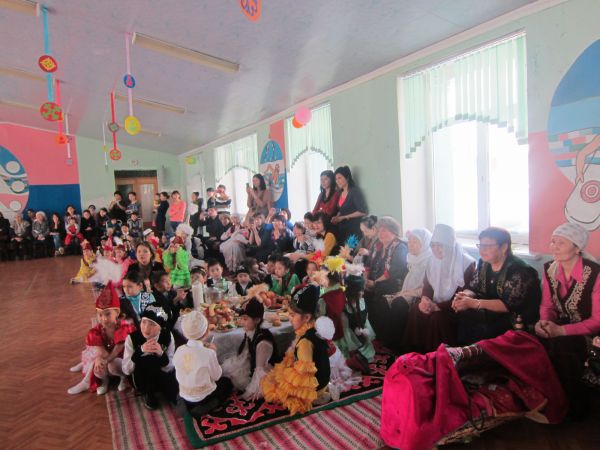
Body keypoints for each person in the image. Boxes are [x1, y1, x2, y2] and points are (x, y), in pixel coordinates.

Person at [534, 222, 600, 418]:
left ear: (577, 248)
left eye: (560, 243)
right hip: (560, 326)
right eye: (552, 241)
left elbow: (597, 320)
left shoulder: (595, 274)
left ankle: (572, 408)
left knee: (563, 348)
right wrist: (545, 323)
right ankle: (541, 400)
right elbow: (547, 305)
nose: (553, 247)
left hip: (591, 333)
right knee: (529, 340)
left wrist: (561, 331)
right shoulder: (550, 269)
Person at [451, 227, 541, 344]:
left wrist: (473, 303)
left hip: (514, 319)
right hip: (490, 313)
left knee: (485, 326)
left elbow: (507, 305)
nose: (482, 250)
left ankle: (480, 353)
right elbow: (474, 288)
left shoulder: (519, 270)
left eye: (488, 246)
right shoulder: (484, 263)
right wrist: (464, 296)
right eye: (481, 245)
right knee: (461, 315)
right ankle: (464, 353)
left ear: (504, 247)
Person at [403, 224, 476, 354]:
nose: (436, 249)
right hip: (434, 303)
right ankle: (415, 353)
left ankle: (437, 356)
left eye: (440, 245)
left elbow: (463, 295)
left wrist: (438, 306)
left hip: (454, 307)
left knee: (437, 318)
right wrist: (425, 300)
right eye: (433, 245)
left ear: (450, 245)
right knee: (417, 310)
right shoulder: (432, 260)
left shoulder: (466, 263)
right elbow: (427, 285)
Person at [261, 284, 331, 415]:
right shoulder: (313, 329)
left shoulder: (305, 342)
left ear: (307, 318)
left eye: (293, 315)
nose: (289, 318)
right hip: (322, 379)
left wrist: (286, 383)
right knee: (279, 374)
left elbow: (304, 375)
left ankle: (317, 396)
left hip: (314, 387)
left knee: (274, 386)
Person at [68, 282, 135, 395]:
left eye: (107, 314)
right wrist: (99, 359)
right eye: (100, 315)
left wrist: (102, 360)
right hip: (107, 358)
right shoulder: (96, 331)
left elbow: (116, 352)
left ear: (117, 312)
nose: (103, 319)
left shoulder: (124, 329)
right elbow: (101, 351)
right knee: (97, 366)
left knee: (112, 365)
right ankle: (104, 381)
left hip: (120, 359)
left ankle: (123, 377)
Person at [174, 310, 233, 418]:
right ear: (206, 332)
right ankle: (206, 407)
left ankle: (184, 407)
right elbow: (217, 376)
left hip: (185, 394)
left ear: (185, 333)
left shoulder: (179, 350)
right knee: (227, 383)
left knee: (181, 392)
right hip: (203, 396)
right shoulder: (209, 353)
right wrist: (213, 353)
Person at [363, 216, 409, 351]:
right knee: (362, 291)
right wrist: (365, 280)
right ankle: (374, 333)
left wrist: (374, 282)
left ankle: (386, 338)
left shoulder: (400, 248)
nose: (381, 233)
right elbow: (368, 264)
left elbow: (393, 272)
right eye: (380, 229)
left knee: (380, 291)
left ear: (394, 232)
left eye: (385, 230)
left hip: (393, 282)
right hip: (374, 280)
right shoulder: (377, 244)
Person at [122, 305, 178, 410]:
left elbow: (170, 367)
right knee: (147, 360)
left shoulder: (167, 336)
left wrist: (161, 354)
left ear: (161, 327)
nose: (146, 328)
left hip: (161, 375)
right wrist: (140, 351)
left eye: (152, 324)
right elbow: (126, 370)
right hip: (141, 379)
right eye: (144, 322)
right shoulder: (132, 338)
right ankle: (148, 393)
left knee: (174, 393)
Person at [222, 297, 278, 400]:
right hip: (254, 365)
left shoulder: (263, 342)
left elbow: (261, 370)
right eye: (241, 318)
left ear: (257, 320)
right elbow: (246, 354)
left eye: (245, 319)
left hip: (267, 372)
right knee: (230, 374)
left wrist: (251, 391)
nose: (241, 322)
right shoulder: (252, 330)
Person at [339, 272, 375, 374]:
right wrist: (352, 347)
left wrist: (365, 334)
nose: (363, 293)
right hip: (351, 339)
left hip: (362, 336)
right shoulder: (345, 308)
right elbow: (345, 330)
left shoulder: (362, 301)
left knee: (368, 353)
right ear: (353, 291)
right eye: (361, 290)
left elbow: (365, 320)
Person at [331, 166, 368, 243]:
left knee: (349, 250)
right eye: (336, 179)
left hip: (353, 230)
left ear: (347, 177)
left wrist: (344, 217)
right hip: (343, 230)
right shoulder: (340, 192)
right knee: (341, 250)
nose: (337, 181)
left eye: (339, 178)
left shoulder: (354, 191)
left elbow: (363, 211)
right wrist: (337, 217)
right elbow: (342, 209)